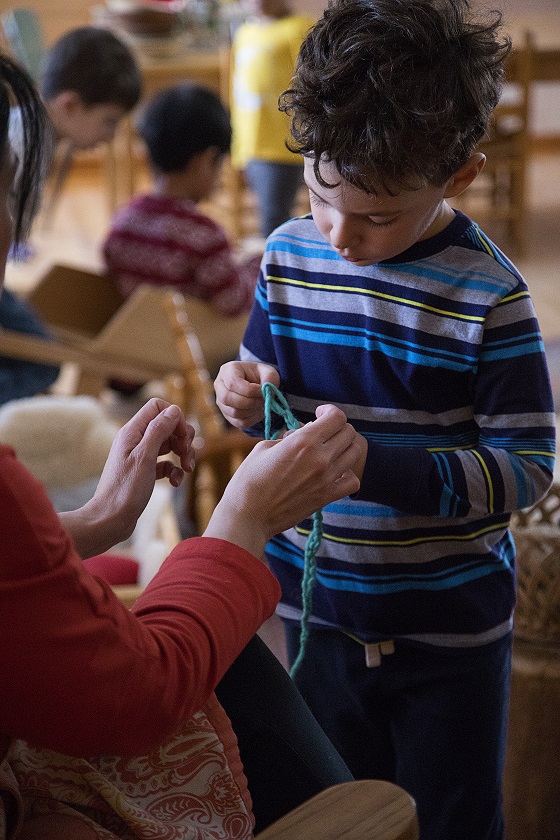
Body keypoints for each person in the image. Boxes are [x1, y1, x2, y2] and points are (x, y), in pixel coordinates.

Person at [213, 1, 557, 838]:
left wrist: (377, 466)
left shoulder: (489, 295)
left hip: (448, 629)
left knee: (450, 815)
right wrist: (244, 395)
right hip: (317, 606)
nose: (340, 234)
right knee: (334, 810)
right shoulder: (290, 255)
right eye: (322, 195)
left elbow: (526, 470)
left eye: (378, 216)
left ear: (460, 174)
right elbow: (273, 400)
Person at [0, 53, 364, 838]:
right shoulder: (208, 237)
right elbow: (134, 698)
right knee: (242, 674)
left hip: (129, 375)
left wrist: (96, 518)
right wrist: (241, 522)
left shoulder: (127, 220)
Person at [0, 25, 142, 405]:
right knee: (43, 365)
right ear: (70, 106)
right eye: (109, 121)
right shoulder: (27, 144)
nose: (110, 136)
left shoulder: (35, 132)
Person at [103, 82, 260, 317]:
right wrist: (258, 267)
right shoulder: (204, 236)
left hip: (136, 341)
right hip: (190, 347)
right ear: (205, 161)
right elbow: (235, 302)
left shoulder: (124, 222)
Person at [229, 0, 314, 238]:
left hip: (281, 144)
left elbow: (310, 83)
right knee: (265, 210)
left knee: (274, 215)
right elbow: (237, 89)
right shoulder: (245, 32)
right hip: (251, 142)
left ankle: (274, 265)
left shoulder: (298, 28)